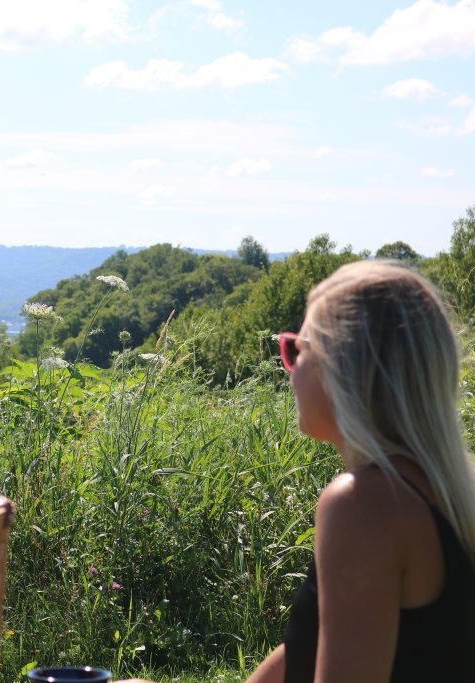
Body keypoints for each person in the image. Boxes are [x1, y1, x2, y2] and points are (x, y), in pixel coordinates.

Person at [118, 260, 475, 683]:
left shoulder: (365, 504)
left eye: (295, 349)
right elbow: (311, 647)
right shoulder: (446, 492)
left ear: (340, 367)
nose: (289, 369)